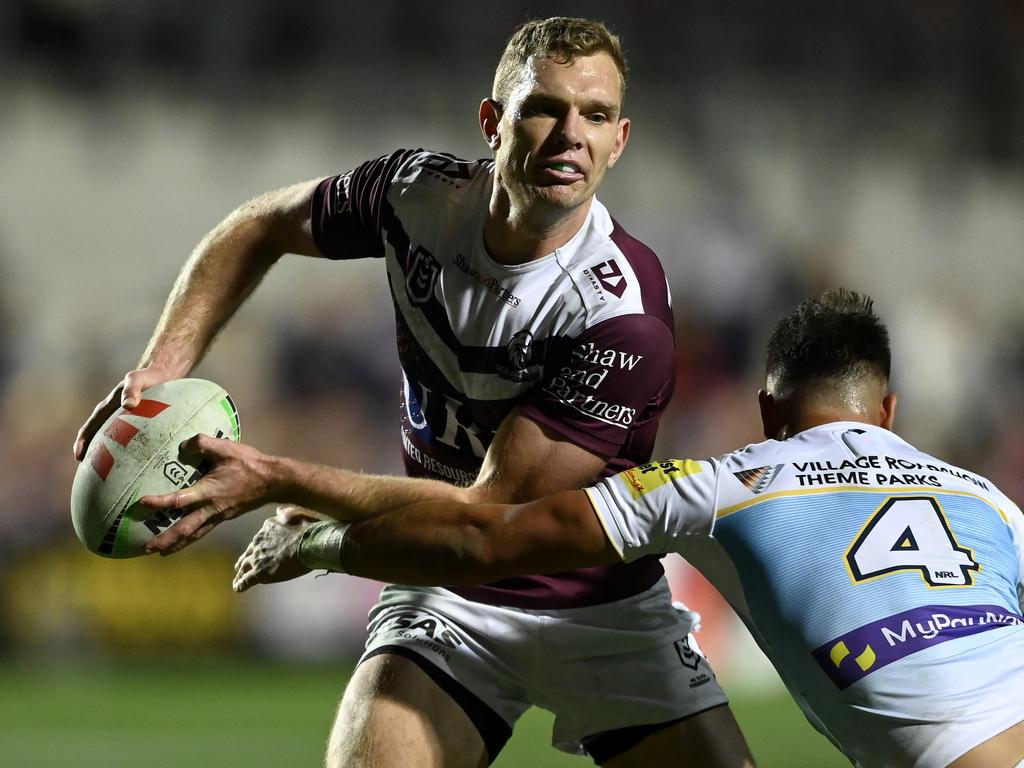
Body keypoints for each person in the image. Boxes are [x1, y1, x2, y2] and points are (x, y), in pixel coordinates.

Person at [73, 17, 754, 768]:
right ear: (492, 122)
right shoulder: (412, 195)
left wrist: (283, 487)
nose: (570, 135)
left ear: (619, 141)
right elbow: (260, 226)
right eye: (544, 108)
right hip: (447, 598)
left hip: (601, 609)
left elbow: (489, 519)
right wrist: (161, 369)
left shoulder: (621, 312)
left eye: (594, 116)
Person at [234, 288, 1024, 768]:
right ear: (889, 412)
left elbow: (486, 537)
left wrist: (323, 540)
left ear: (766, 413)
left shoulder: (725, 483)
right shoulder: (991, 503)